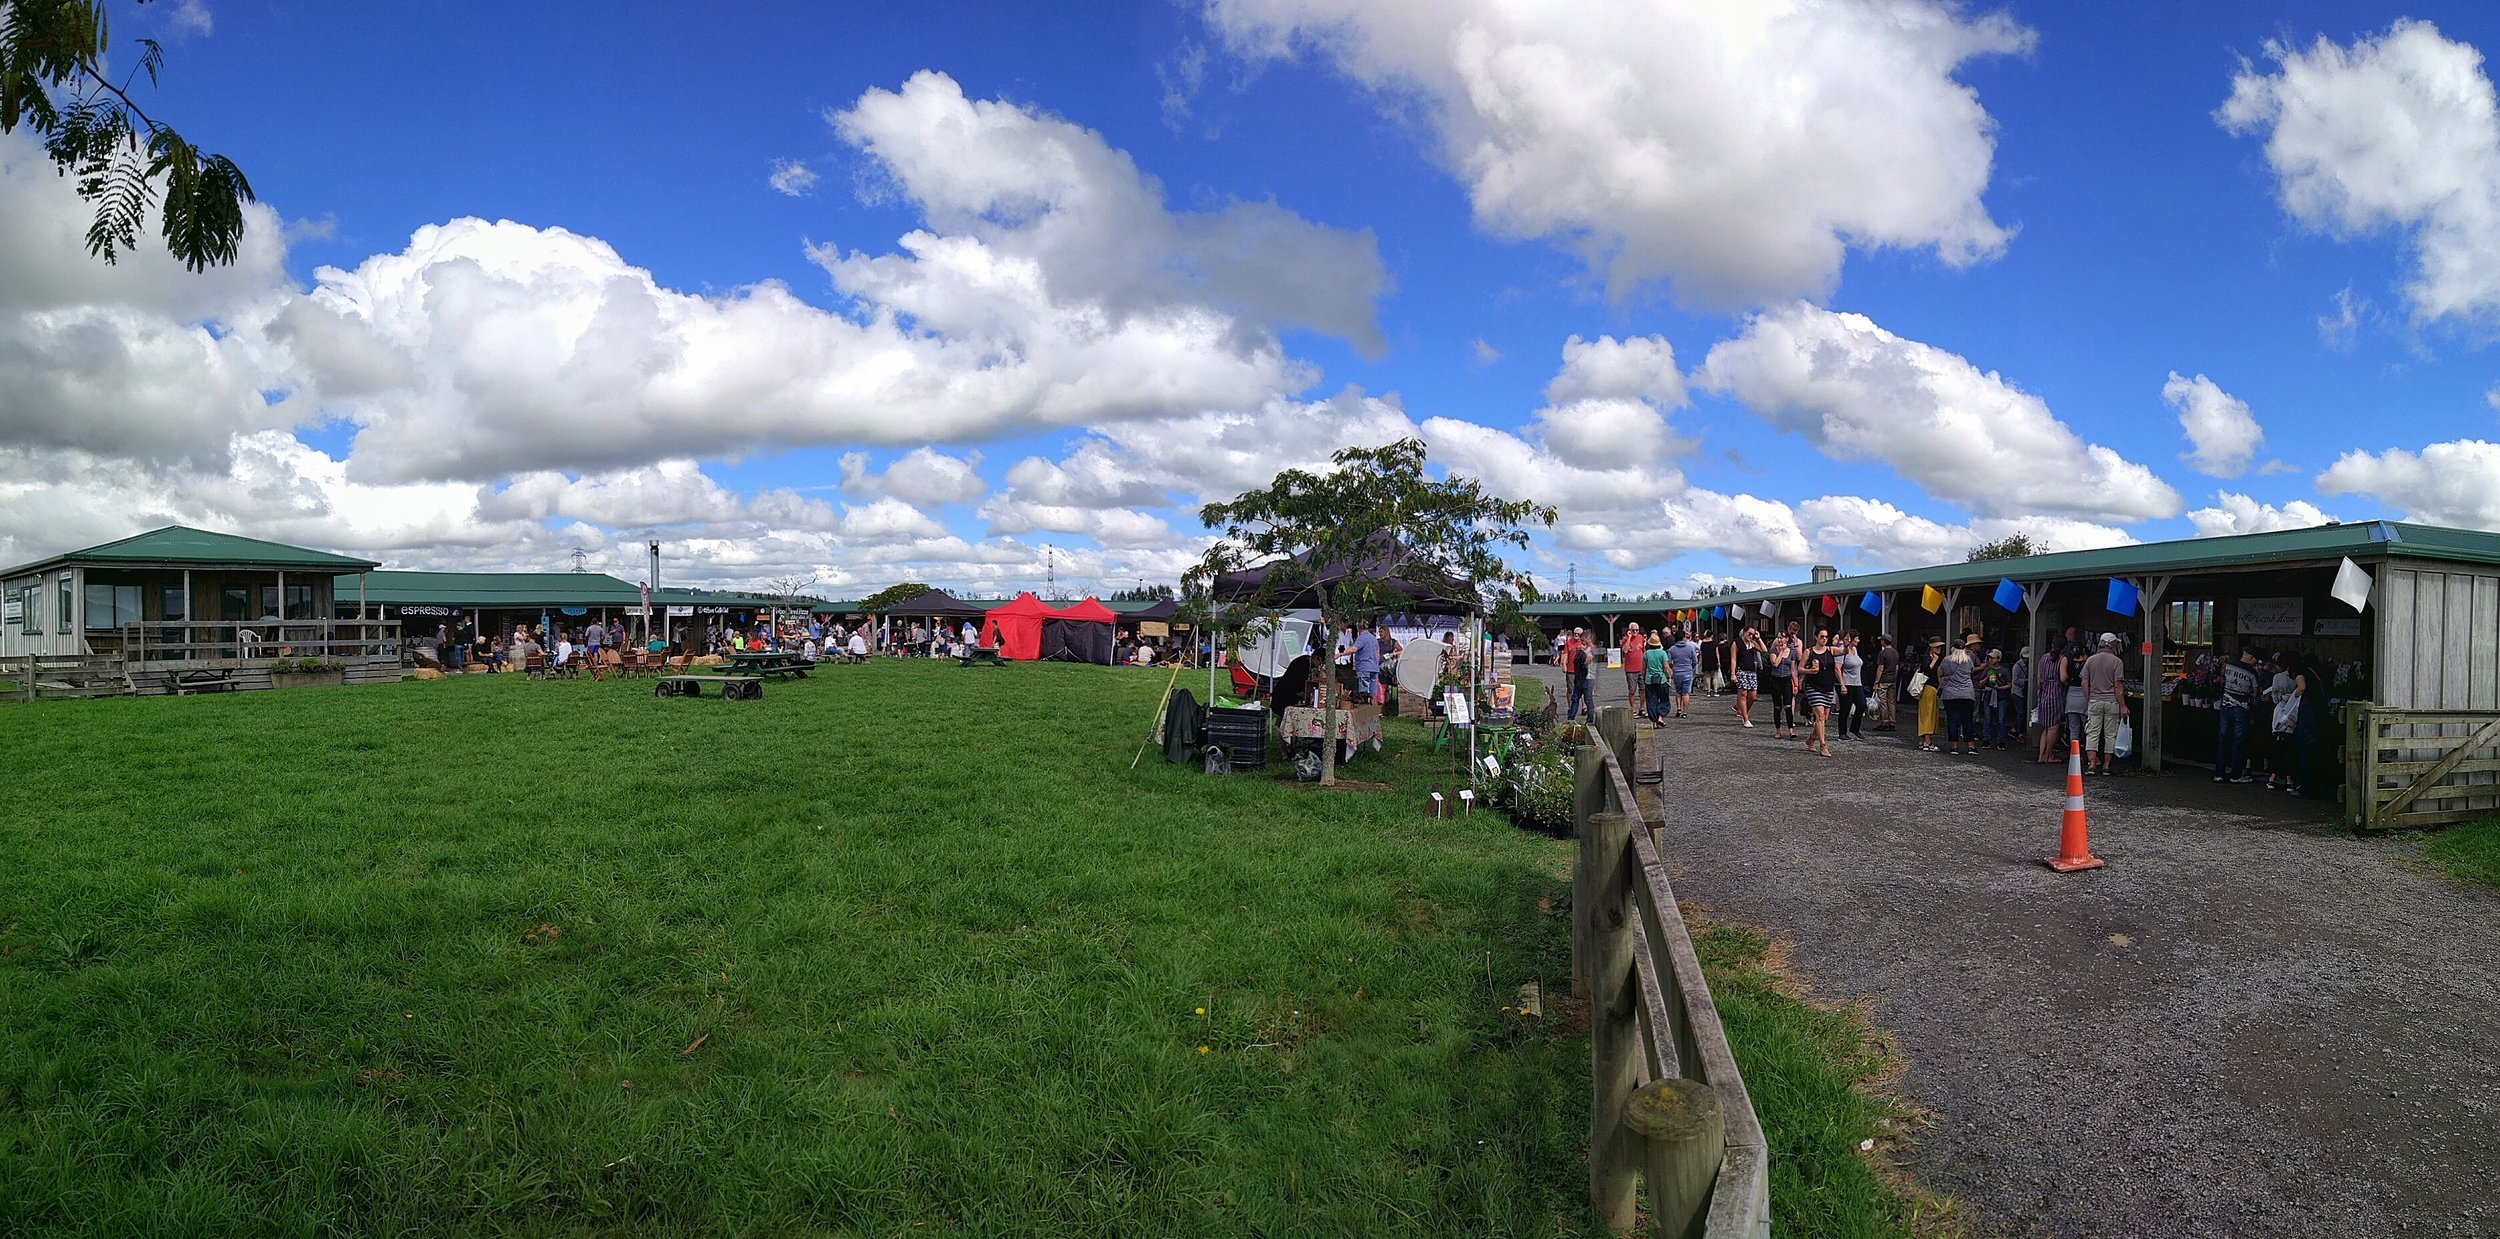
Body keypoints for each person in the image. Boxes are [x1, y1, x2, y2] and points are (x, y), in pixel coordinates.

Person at [2082, 633, 2128, 776]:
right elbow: (2118, 686)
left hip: (2095, 700)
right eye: (2115, 644)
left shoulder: (2090, 660)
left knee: (2092, 733)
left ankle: (2091, 764)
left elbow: (2084, 682)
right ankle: (2107, 766)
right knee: (2110, 734)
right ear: (2112, 645)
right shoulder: (2117, 662)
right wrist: (2123, 706)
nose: (2116, 647)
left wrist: (2089, 698)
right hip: (2111, 701)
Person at [2215, 645, 2260, 784]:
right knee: (2238, 742)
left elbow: (2222, 680)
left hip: (2226, 705)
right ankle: (2236, 775)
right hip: (2241, 709)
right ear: (2251, 658)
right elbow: (2255, 692)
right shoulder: (2252, 673)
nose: (2256, 663)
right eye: (2256, 660)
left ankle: (2219, 774)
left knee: (2223, 740)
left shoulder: (2228, 666)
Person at [1800, 628, 1839, 757]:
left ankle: (1811, 738)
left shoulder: (1830, 650)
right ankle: (1823, 746)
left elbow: (1844, 651)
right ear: (1816, 637)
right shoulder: (1809, 652)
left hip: (1828, 687)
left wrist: (1846, 642)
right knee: (1820, 716)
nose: (1824, 639)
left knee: (1825, 718)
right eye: (1822, 636)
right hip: (1813, 686)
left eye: (1826, 637)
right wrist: (1809, 671)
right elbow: (1800, 668)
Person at [1938, 638, 1978, 755]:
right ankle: (1971, 746)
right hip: (1967, 693)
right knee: (1967, 720)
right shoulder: (1968, 660)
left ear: (1953, 648)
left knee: (1953, 721)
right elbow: (1971, 672)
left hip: (1950, 694)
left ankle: (1954, 747)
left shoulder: (1947, 660)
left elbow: (1940, 673)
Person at [2034, 646, 2067, 764]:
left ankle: (2041, 755)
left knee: (2046, 727)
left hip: (2044, 692)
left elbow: (2039, 677)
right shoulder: (2062, 659)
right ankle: (2049, 755)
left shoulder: (2043, 658)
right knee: (2054, 727)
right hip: (2055, 694)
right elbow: (2063, 678)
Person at [1767, 633, 1800, 740]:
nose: (1780, 639)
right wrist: (1781, 652)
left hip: (1786, 679)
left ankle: (1791, 730)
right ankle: (1778, 730)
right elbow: (1775, 664)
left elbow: (1793, 668)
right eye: (1778, 637)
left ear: (1786, 639)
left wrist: (1795, 683)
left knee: (1788, 705)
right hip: (1776, 679)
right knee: (1777, 706)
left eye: (1782, 637)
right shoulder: (1773, 650)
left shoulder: (1791, 652)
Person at [1915, 637, 1944, 752]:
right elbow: (1926, 671)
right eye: (1937, 647)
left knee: (1926, 713)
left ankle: (1923, 740)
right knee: (1929, 714)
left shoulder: (1930, 657)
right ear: (1931, 647)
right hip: (1928, 687)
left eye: (1940, 647)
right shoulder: (1928, 657)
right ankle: (1927, 741)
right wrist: (1934, 661)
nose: (1939, 649)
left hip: (1929, 688)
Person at [1666, 627, 1701, 718]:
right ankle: (1685, 712)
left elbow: (1669, 662)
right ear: (1683, 638)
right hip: (1688, 672)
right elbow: (1695, 660)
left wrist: (1674, 667)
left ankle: (1678, 709)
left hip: (1677, 672)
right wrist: (1690, 667)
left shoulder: (1672, 649)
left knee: (1678, 692)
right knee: (1686, 693)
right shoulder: (1690, 648)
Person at [1977, 647, 2009, 749]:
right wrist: (1987, 678)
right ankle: (1986, 740)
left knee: (2001, 719)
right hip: (1988, 695)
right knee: (1987, 719)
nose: (1990, 660)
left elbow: (2009, 684)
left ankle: (2001, 741)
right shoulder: (1987, 669)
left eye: (1993, 658)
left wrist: (1999, 687)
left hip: (2001, 696)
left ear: (1998, 659)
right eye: (1989, 658)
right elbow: (1980, 684)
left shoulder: (2004, 671)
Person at [1732, 627, 1763, 729]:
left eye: (1752, 634)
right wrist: (1733, 673)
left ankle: (1741, 710)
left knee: (1753, 696)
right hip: (1742, 670)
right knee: (1743, 693)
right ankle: (1745, 718)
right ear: (1744, 632)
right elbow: (1733, 659)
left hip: (1752, 671)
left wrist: (1758, 638)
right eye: (1749, 634)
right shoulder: (1737, 643)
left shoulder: (1753, 643)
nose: (1750, 636)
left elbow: (1764, 650)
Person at [1562, 627, 1595, 723]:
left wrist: (1584, 650)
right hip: (1578, 677)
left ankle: (1590, 719)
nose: (1581, 641)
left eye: (1583, 640)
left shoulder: (1590, 650)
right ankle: (1571, 718)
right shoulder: (1579, 649)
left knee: (1588, 699)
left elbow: (1588, 661)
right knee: (1575, 697)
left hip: (1587, 678)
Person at [1837, 632, 1866, 739]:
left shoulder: (1855, 650)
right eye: (1857, 638)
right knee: (1845, 708)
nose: (1858, 641)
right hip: (1847, 683)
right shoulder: (1842, 651)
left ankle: (1854, 728)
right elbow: (1837, 668)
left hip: (1857, 683)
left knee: (1862, 704)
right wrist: (1842, 684)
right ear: (1851, 639)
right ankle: (1842, 733)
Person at [1641, 632, 1670, 725]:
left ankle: (1654, 719)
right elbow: (1666, 666)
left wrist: (1643, 677)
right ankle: (1661, 717)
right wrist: (1669, 676)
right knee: (1664, 699)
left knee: (1651, 700)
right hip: (1662, 679)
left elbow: (1644, 668)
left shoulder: (1646, 654)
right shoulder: (1663, 653)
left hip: (1649, 680)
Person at [1873, 636, 1900, 731]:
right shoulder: (1895, 652)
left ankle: (1885, 721)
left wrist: (1876, 681)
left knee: (1883, 701)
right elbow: (1896, 667)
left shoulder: (1882, 653)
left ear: (1884, 642)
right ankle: (1892, 721)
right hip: (1892, 679)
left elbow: (1880, 668)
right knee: (1891, 701)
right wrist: (1894, 677)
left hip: (1884, 679)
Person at [1352, 624, 1382, 704]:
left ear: (1358, 627)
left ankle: (1364, 708)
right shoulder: (1373, 638)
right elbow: (1378, 652)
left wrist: (1341, 654)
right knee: (1372, 693)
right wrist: (1376, 663)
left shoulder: (1362, 638)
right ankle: (1373, 711)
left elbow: (1354, 648)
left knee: (1363, 691)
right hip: (1374, 667)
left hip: (1364, 666)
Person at [1621, 622, 1648, 708]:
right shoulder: (1625, 639)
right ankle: (1632, 709)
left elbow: (1643, 651)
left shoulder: (1640, 638)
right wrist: (1629, 637)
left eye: (1637, 630)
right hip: (1630, 669)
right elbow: (1625, 650)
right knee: (1632, 690)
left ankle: (1642, 708)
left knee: (1643, 689)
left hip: (1641, 668)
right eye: (1633, 630)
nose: (1635, 631)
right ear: (1629, 630)